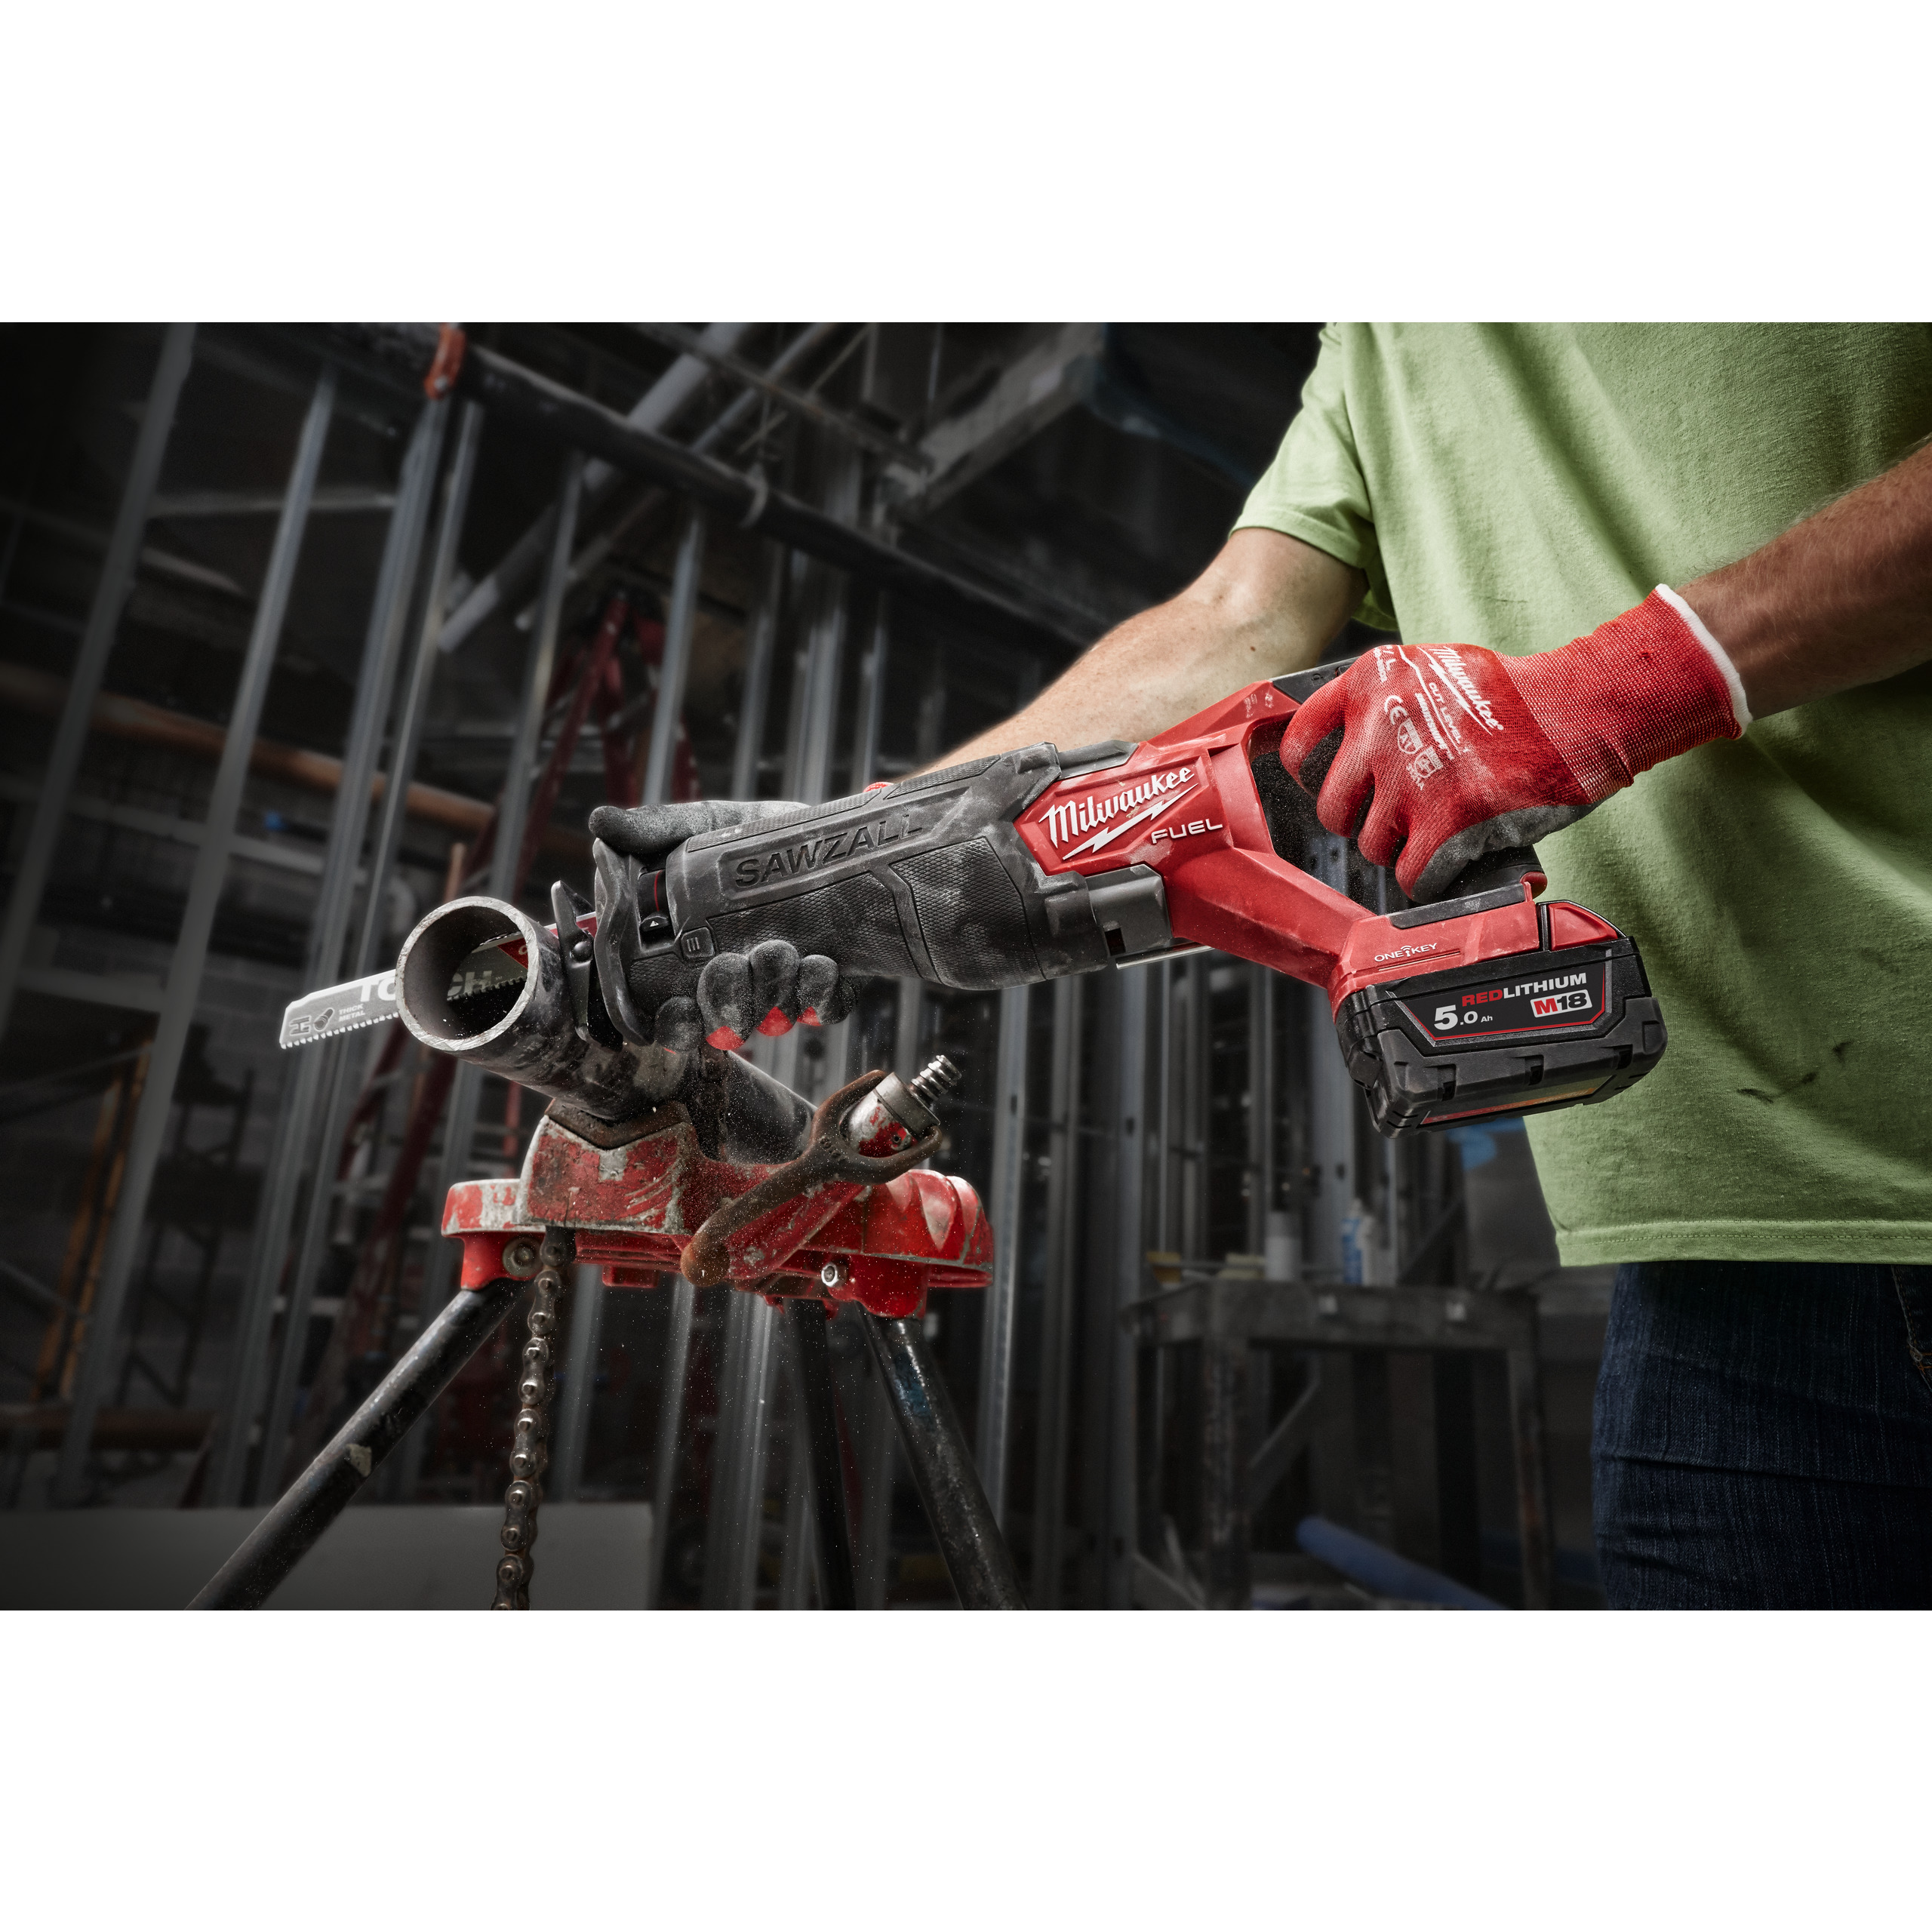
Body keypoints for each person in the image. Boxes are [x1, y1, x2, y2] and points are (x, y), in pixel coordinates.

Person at [595, 325, 1932, 1608]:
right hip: (1720, 1256)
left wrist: (1610, 691)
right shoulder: (1383, 337)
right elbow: (1233, 622)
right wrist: (833, 848)